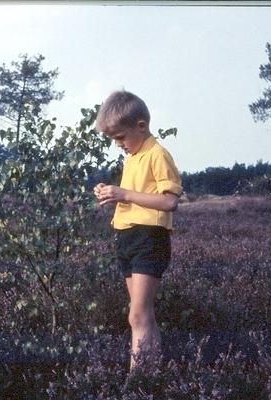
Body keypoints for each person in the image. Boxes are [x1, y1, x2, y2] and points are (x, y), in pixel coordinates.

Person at [93, 90, 182, 373]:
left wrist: (124, 193)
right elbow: (134, 195)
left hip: (149, 239)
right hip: (127, 238)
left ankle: (138, 382)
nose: (118, 144)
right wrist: (111, 194)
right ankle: (151, 377)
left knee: (137, 315)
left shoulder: (158, 154)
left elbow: (169, 201)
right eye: (113, 139)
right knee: (142, 316)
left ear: (141, 126)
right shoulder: (133, 157)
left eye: (120, 137)